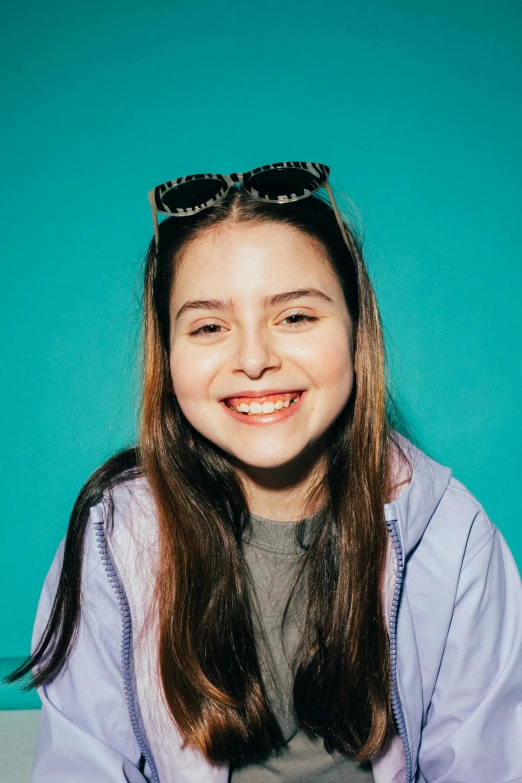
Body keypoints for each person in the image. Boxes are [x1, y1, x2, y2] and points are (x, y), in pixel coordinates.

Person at [7, 162, 522, 782]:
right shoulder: (111, 545)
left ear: (357, 330)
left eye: (296, 316)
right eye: (209, 326)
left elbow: (485, 763)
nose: (254, 359)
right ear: (166, 354)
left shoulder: (451, 534)